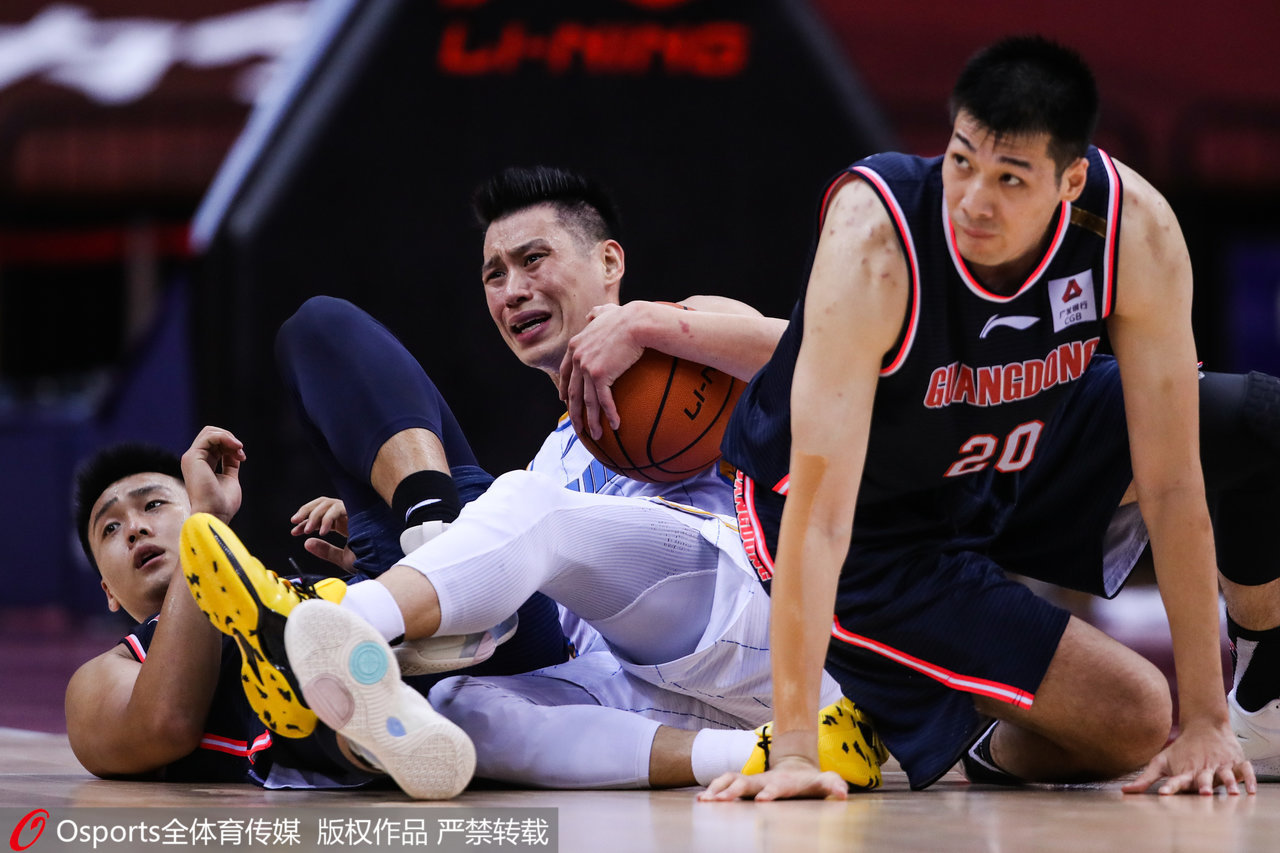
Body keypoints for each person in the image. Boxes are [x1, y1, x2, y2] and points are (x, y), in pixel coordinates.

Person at [179, 165, 884, 798]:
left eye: (533, 259)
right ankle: (760, 753)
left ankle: (323, 626)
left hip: (757, 618)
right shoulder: (554, 453)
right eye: (494, 275)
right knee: (458, 706)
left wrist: (646, 323)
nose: (513, 290)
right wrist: (421, 570)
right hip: (642, 682)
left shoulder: (689, 335)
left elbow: (837, 362)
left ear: (609, 261)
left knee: (530, 505)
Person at [703, 36, 1280, 801]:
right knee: (1135, 717)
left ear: (1070, 180)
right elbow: (820, 514)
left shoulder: (1131, 229)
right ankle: (939, 717)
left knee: (1253, 417)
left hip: (999, 452)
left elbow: (1173, 482)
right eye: (962, 160)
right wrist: (798, 753)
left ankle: (1261, 696)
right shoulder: (874, 241)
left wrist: (1206, 719)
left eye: (1010, 178)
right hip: (867, 523)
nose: (975, 199)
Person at [65, 428, 377, 787]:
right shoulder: (102, 677)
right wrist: (206, 523)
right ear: (109, 592)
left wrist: (374, 567)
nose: (134, 528)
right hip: (341, 730)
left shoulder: (290, 587)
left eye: (153, 505)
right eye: (110, 528)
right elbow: (166, 725)